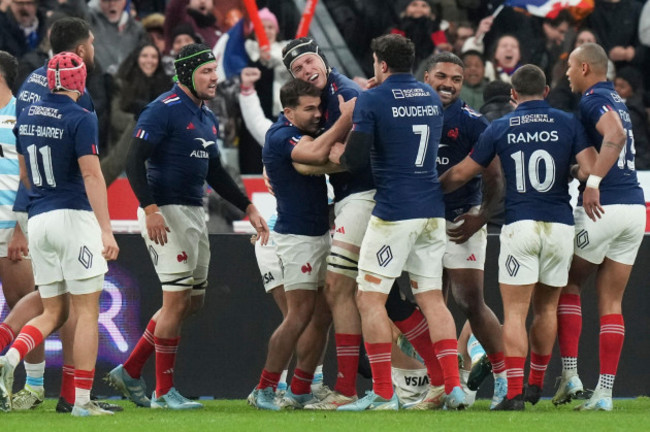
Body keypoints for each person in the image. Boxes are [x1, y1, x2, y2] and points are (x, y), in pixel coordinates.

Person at [106, 43, 268, 410]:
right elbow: (134, 161)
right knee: (176, 301)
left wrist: (247, 206)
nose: (215, 77)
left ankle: (130, 371)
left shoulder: (205, 116)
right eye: (207, 71)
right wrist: (150, 209)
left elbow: (215, 171)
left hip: (194, 211)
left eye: (215, 70)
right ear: (186, 74)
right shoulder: (162, 110)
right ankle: (164, 392)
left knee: (191, 302)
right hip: (166, 211)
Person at [439, 64, 597, 411]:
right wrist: (572, 171)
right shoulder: (568, 122)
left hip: (519, 225)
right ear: (545, 92)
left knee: (514, 313)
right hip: (559, 226)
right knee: (546, 309)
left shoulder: (500, 126)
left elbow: (462, 173)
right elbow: (589, 168)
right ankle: (536, 384)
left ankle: (512, 393)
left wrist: (426, 191)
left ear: (513, 95)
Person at [332, 33, 465, 411]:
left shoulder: (371, 99)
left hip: (394, 212)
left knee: (368, 298)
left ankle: (383, 393)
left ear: (381, 63)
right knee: (432, 299)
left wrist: (340, 149)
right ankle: (449, 387)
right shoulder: (430, 97)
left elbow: (355, 159)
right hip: (431, 210)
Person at [7, 16, 121, 414]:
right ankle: (81, 400)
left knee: (52, 309)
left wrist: (32, 201)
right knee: (86, 311)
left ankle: (11, 355)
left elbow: (23, 165)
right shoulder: (81, 114)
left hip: (37, 217)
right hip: (72, 216)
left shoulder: (29, 100)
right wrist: (106, 230)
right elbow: (92, 173)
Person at [249, 78, 354, 411]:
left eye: (319, 107)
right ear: (288, 111)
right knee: (299, 315)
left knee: (322, 316)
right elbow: (316, 152)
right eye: (309, 108)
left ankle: (301, 387)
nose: (317, 113)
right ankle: (264, 389)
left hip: (319, 232)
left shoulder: (299, 132)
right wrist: (344, 120)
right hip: (297, 239)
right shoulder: (281, 135)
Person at [553, 42, 646, 412]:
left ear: (586, 69)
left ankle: (571, 376)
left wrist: (591, 184)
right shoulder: (617, 99)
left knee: (568, 283)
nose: (568, 74)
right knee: (611, 302)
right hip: (635, 209)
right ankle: (605, 392)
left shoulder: (592, 99)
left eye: (571, 68)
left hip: (603, 208)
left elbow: (615, 136)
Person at [279, 37, 371, 410]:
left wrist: (337, 156)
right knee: (373, 298)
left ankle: (348, 389)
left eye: (310, 62)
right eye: (298, 69)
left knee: (337, 292)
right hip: (351, 198)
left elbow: (357, 153)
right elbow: (315, 154)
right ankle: (421, 379)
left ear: (323, 59)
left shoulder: (345, 91)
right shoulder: (321, 100)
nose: (307, 70)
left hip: (364, 195)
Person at [423, 51, 506, 410]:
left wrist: (483, 215)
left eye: (456, 80)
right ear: (426, 76)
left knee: (470, 300)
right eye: (442, 76)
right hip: (422, 219)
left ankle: (505, 378)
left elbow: (495, 175)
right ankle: (441, 383)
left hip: (461, 217)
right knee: (428, 303)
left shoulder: (472, 122)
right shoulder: (409, 114)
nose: (449, 84)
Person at [0, 49, 41, 411]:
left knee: (23, 303)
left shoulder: (21, 117)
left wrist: (19, 228)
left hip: (12, 226)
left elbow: (29, 177)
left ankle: (35, 385)